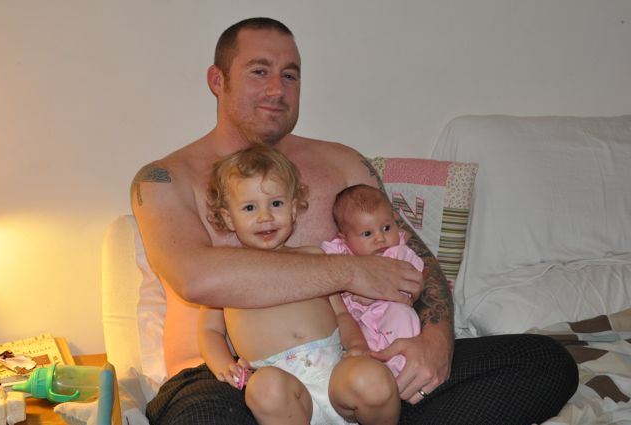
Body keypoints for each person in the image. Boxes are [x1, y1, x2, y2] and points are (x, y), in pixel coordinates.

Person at [133, 17, 578, 424]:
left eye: (290, 75)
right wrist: (351, 271)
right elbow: (195, 276)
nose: (277, 89)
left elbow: (414, 259)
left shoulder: (342, 163)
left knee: (543, 362)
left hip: (354, 367)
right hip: (231, 383)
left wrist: (436, 341)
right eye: (259, 71)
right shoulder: (166, 178)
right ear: (218, 80)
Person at [199, 145, 399, 425]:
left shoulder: (313, 257)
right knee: (264, 389)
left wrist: (356, 346)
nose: (265, 216)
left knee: (375, 379)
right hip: (283, 386)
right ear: (229, 217)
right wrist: (224, 365)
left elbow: (342, 314)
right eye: (249, 207)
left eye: (276, 204)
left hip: (336, 372)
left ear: (293, 209)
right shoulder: (227, 272)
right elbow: (209, 330)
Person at [321, 184, 423, 378]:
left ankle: (399, 368)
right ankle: (367, 375)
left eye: (386, 228)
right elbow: (322, 270)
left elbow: (412, 281)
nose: (381, 238)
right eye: (367, 234)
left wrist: (378, 292)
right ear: (344, 238)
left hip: (388, 311)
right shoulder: (338, 253)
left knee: (404, 315)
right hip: (354, 323)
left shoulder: (399, 253)